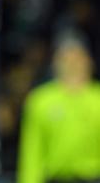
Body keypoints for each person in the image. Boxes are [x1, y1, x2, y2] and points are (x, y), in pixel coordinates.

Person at [17, 36, 100, 183]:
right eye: (65, 58)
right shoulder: (40, 100)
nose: (72, 64)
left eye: (77, 57)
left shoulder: (97, 97)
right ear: (55, 63)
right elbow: (32, 151)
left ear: (88, 61)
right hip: (57, 178)